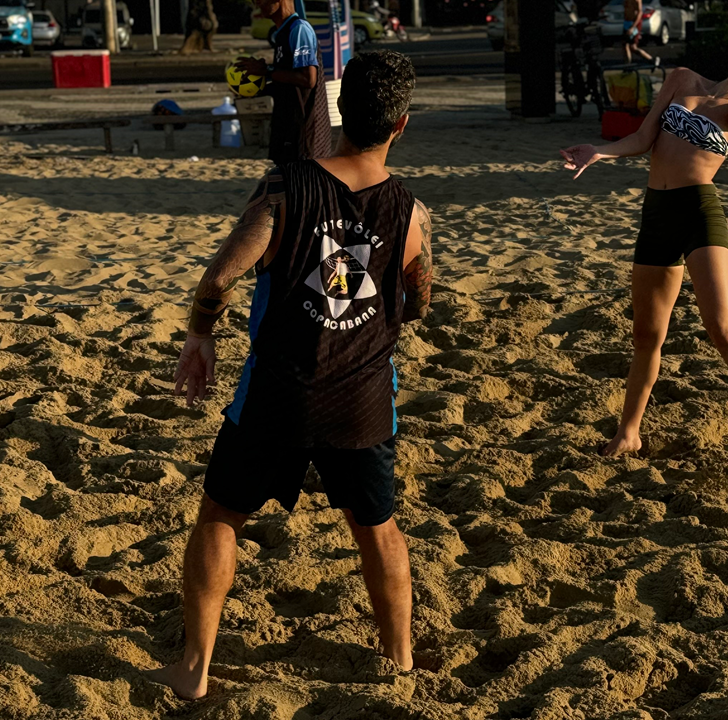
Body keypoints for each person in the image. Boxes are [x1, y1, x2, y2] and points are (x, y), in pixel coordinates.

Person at [148, 50, 431, 700]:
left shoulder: (284, 187)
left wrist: (200, 336)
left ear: (340, 111)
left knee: (221, 515)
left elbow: (219, 279)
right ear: (401, 124)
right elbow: (417, 302)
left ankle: (194, 671)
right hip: (362, 400)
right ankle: (400, 661)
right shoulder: (412, 213)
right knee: (377, 526)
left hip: (280, 392)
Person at [561, 0, 728, 475]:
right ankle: (629, 433)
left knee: (723, 330)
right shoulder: (682, 78)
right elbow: (643, 138)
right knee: (646, 335)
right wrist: (599, 153)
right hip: (657, 213)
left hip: (699, 214)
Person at [237, 0, 332, 163]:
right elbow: (287, 82)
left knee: (299, 178)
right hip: (287, 126)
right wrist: (255, 86)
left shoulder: (299, 29)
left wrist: (267, 71)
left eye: (260, 0)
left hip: (304, 134)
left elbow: (308, 79)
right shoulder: (281, 32)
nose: (257, 5)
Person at [623, 0, 659, 67]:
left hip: (634, 23)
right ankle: (627, 65)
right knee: (626, 45)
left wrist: (633, 27)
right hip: (627, 22)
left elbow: (640, 13)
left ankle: (651, 59)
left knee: (632, 46)